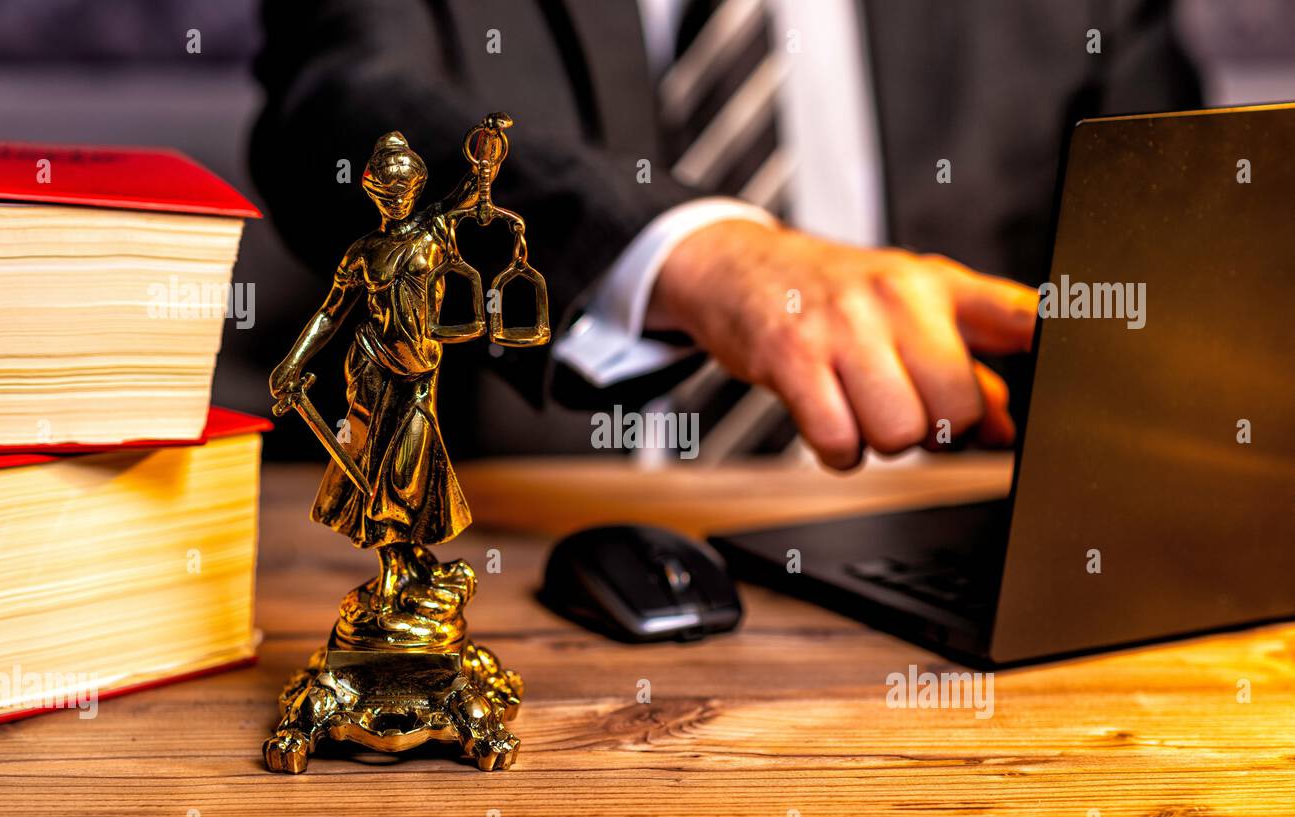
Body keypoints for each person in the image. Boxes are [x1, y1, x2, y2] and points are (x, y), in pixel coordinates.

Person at [251, 0, 1200, 469]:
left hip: (950, 561)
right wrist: (689, 249)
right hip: (542, 579)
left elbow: (1171, 250)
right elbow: (337, 111)